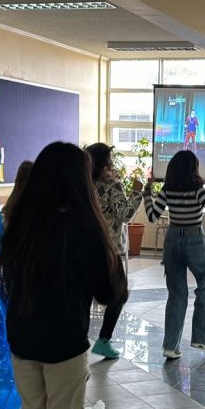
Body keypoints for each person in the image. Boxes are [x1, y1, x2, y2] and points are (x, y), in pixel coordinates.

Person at [0, 142, 124, 409]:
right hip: (63, 343)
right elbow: (109, 292)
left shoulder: (23, 221)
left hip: (21, 338)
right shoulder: (84, 227)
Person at [143, 150, 205, 359]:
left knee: (176, 294)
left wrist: (146, 193)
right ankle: (201, 338)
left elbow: (152, 216)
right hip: (194, 239)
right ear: (193, 169)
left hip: (171, 241)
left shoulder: (167, 190)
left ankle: (170, 346)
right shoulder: (198, 190)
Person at [86, 143, 141, 359]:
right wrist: (136, 192)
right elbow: (125, 214)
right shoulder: (112, 185)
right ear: (105, 162)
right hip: (109, 250)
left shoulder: (84, 184)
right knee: (120, 293)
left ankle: (80, 339)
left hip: (86, 247)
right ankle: (103, 340)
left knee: (85, 295)